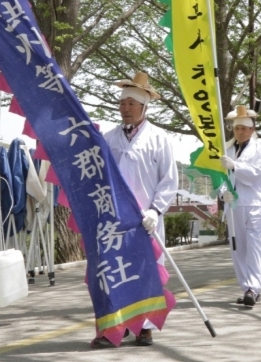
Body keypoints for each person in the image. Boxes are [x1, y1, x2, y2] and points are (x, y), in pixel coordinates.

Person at [96, 72, 177, 348]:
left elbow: (169, 180)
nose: (126, 109)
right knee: (116, 273)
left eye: (131, 103)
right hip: (117, 221)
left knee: (147, 272)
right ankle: (116, 327)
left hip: (147, 220)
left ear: (144, 107)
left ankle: (144, 327)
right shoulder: (108, 138)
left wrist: (155, 210)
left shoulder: (159, 138)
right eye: (122, 104)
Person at [218, 105, 261, 307]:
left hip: (255, 204)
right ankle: (246, 286)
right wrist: (223, 192)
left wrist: (235, 166)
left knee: (255, 247)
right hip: (234, 205)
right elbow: (220, 176)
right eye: (237, 128)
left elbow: (255, 174)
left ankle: (253, 288)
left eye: (243, 128)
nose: (239, 131)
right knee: (238, 247)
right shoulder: (228, 149)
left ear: (251, 129)